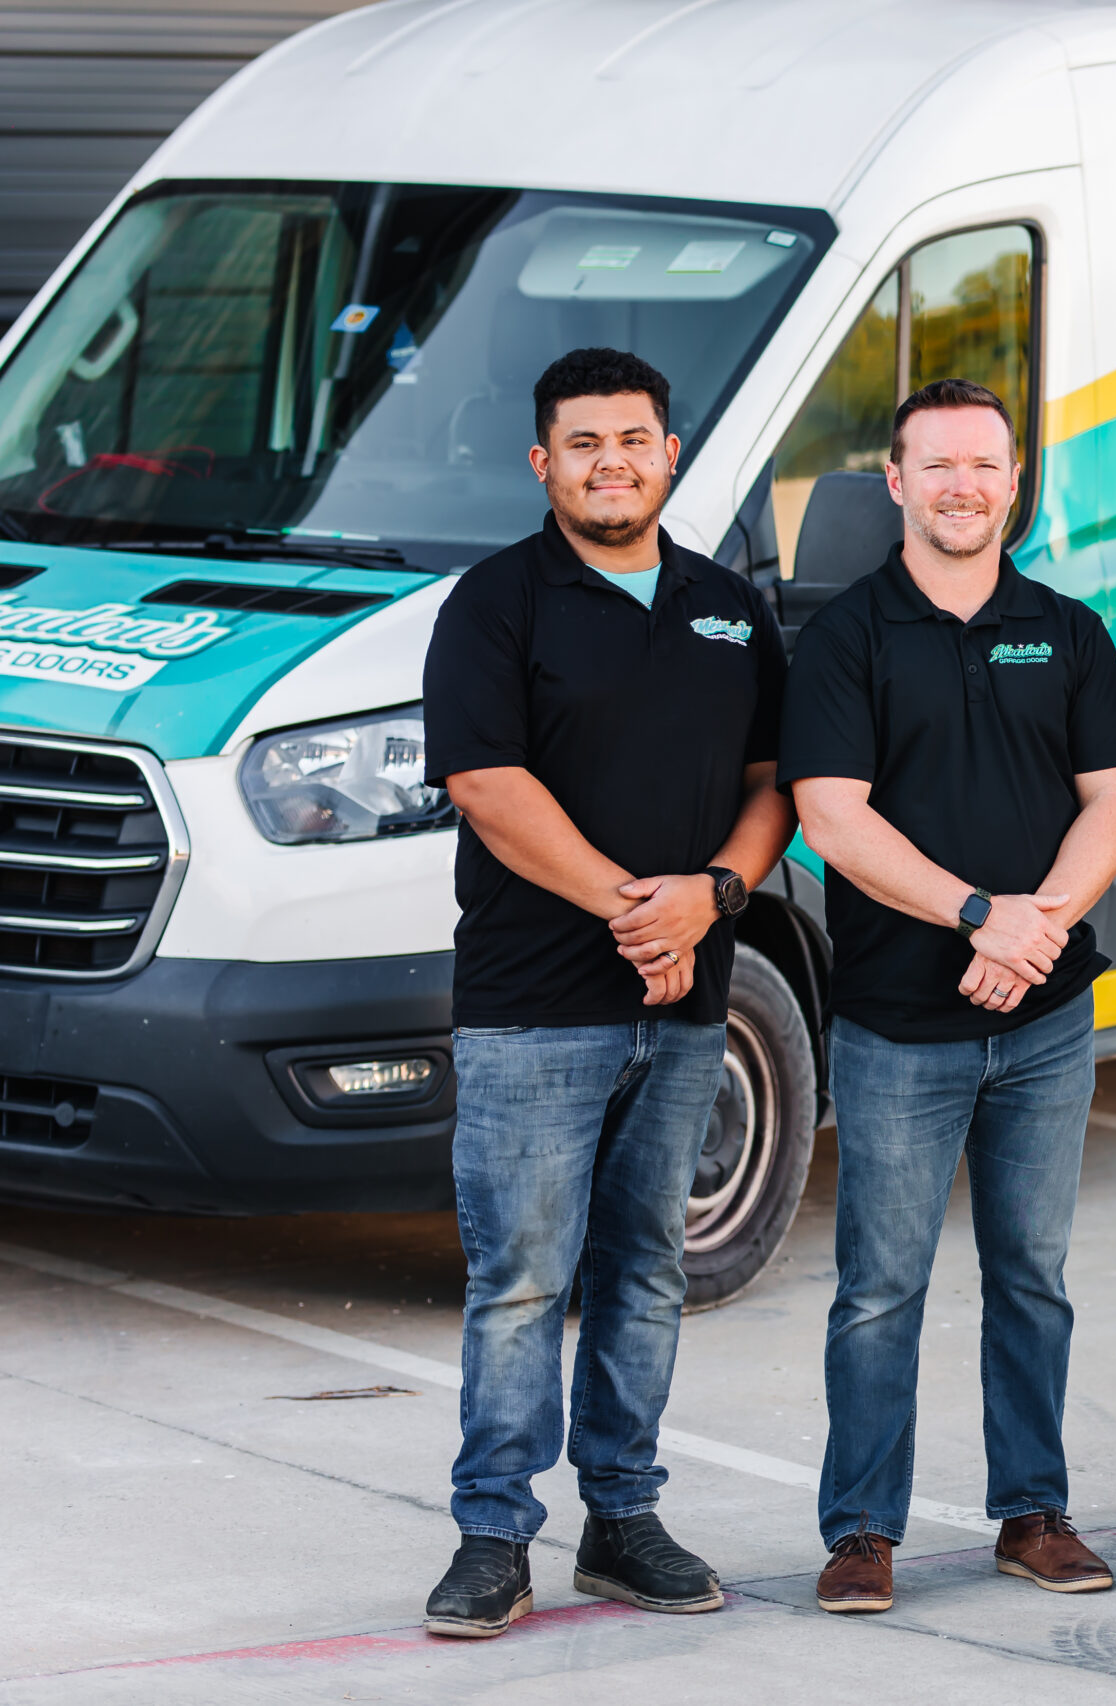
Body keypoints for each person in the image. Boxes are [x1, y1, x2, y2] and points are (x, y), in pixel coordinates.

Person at [419, 347, 795, 1638]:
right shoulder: (495, 602)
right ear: (544, 462)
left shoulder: (727, 606)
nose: (611, 462)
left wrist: (715, 898)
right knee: (522, 1277)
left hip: (687, 999)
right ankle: (492, 1534)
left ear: (670, 452)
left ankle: (623, 1519)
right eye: (582, 443)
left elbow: (771, 783)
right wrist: (639, 910)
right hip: (533, 1003)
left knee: (644, 1271)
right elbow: (487, 784)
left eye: (632, 438)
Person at [780, 379, 1116, 1615]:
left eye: (983, 465)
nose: (961, 487)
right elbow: (833, 816)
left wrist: (1034, 933)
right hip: (899, 1025)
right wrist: (984, 915)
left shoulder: (1068, 629)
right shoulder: (845, 638)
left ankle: (1030, 1512)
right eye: (935, 466)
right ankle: (862, 1530)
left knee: (1031, 1273)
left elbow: (1112, 799)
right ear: (894, 482)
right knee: (881, 1285)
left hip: (1043, 1022)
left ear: (1012, 481)